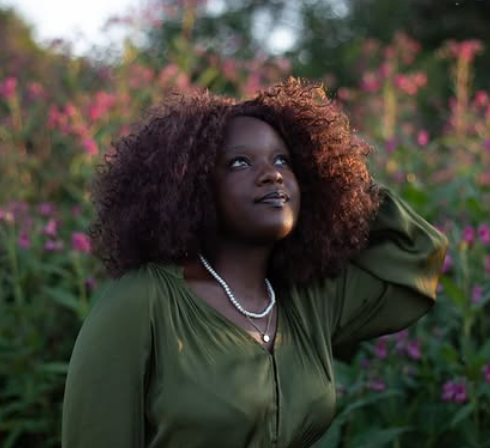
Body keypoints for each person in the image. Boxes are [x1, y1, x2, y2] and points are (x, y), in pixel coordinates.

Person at [62, 78, 447, 448]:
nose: (272, 175)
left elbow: (417, 254)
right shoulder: (141, 302)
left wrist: (339, 178)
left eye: (283, 160)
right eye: (240, 162)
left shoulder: (306, 301)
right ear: (191, 185)